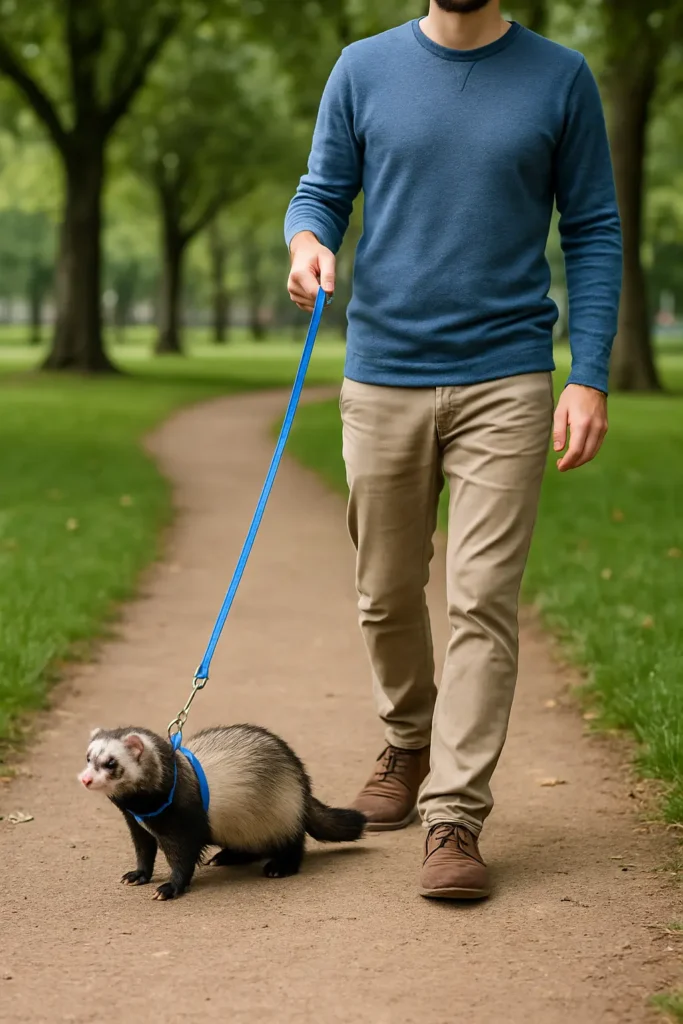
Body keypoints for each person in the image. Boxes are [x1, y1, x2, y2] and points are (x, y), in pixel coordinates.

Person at [284, 0, 622, 901]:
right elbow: (321, 190)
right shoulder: (362, 68)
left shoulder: (561, 78)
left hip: (506, 379)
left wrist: (586, 372)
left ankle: (454, 816)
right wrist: (307, 240)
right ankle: (406, 739)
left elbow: (592, 227)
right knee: (384, 590)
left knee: (481, 599)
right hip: (382, 373)